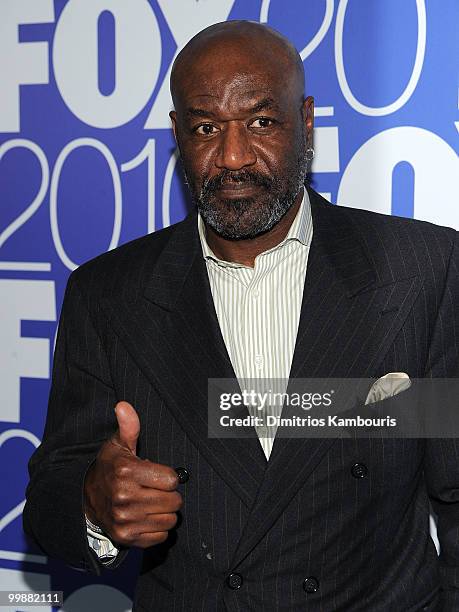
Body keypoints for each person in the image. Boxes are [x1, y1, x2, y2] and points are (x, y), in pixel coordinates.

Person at [23, 20, 458, 612]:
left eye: (260, 122)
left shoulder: (420, 272)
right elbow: (53, 494)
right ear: (178, 133)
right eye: (206, 127)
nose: (232, 156)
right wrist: (94, 508)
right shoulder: (108, 294)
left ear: (305, 122)